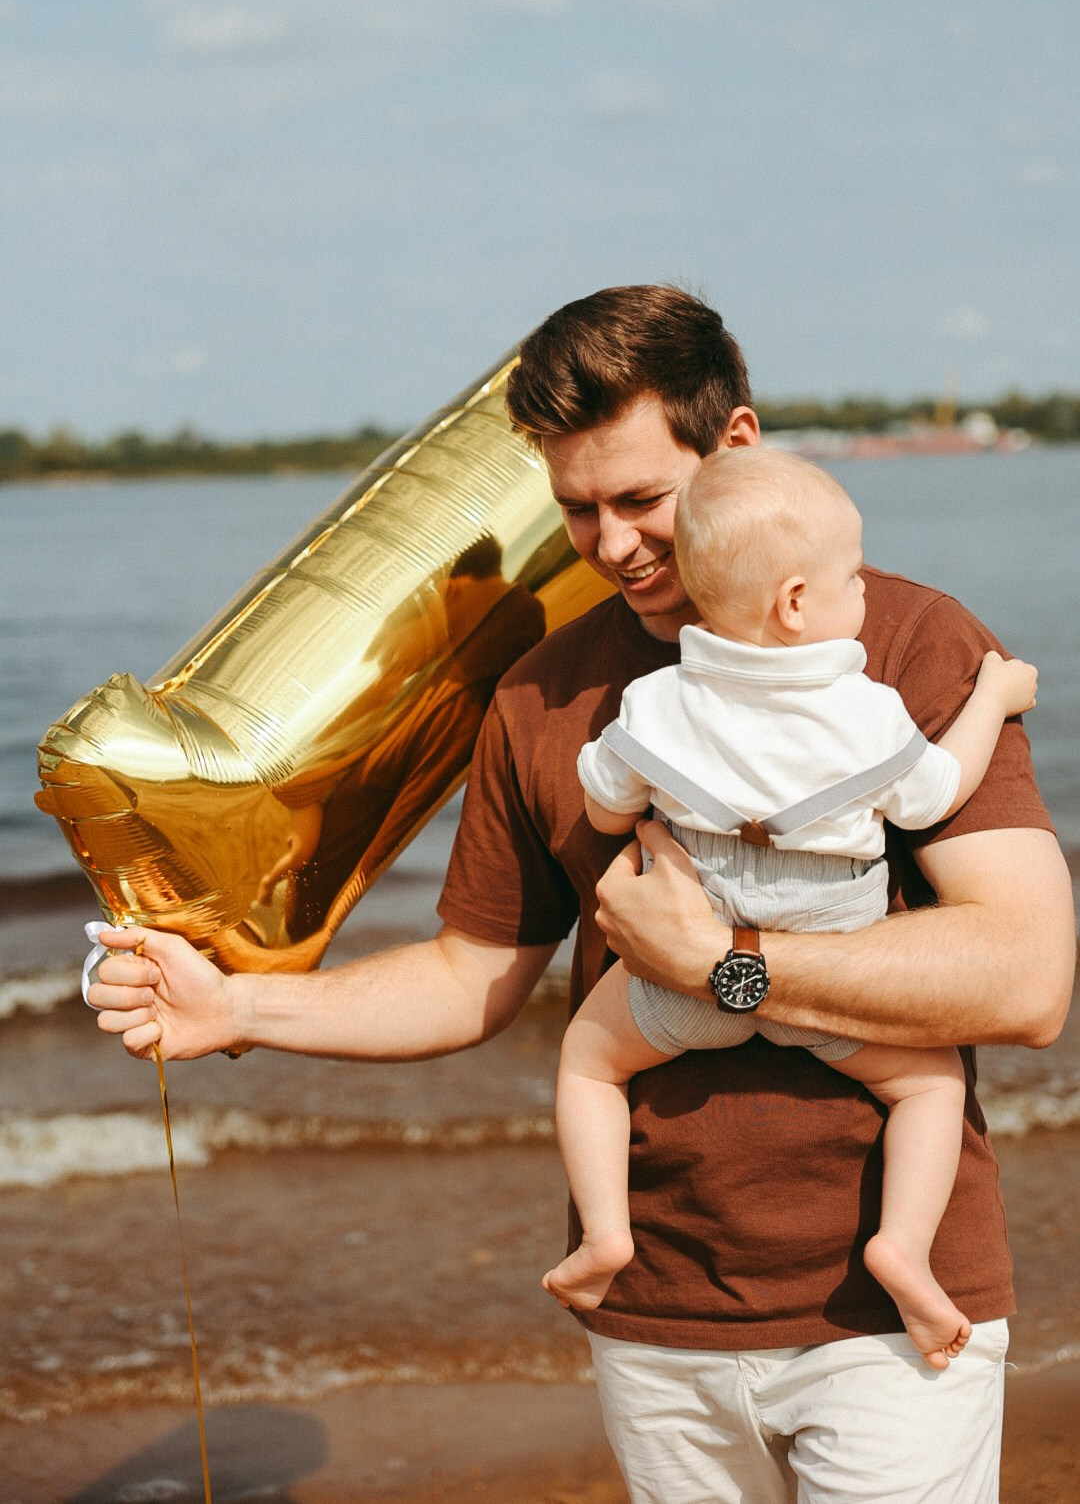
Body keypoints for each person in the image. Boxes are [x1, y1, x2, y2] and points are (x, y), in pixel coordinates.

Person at [89, 286, 1074, 1504]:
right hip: (653, 1322)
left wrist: (722, 964)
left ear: (736, 443)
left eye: (642, 500)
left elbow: (1028, 981)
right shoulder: (540, 693)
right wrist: (237, 1008)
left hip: (893, 1330)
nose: (610, 547)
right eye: (576, 508)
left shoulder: (913, 645)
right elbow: (469, 975)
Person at [541, 447, 1037, 1377]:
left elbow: (605, 808)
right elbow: (936, 793)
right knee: (928, 1087)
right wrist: (991, 697)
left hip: (684, 975)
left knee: (588, 1063)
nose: (866, 593)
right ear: (797, 602)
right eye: (853, 578)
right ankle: (902, 1247)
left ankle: (606, 1233)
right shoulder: (868, 711)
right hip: (830, 965)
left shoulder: (653, 702)